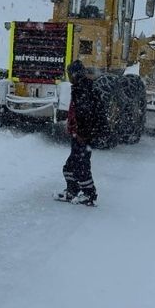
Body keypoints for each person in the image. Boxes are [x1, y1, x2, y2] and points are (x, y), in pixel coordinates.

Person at [57, 60, 102, 205]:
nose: (68, 77)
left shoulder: (82, 89)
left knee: (80, 166)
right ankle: (72, 191)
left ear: (75, 74)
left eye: (69, 74)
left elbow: (85, 114)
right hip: (80, 134)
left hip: (82, 136)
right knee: (71, 166)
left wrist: (82, 134)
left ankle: (89, 195)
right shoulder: (82, 87)